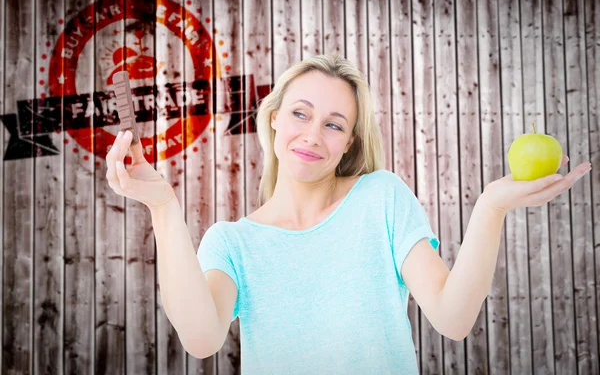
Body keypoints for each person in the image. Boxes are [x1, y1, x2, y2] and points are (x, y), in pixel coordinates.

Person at [105, 54, 591, 374]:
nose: (313, 135)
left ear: (349, 142)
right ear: (274, 117)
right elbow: (201, 338)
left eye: (333, 124)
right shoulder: (232, 242)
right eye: (300, 113)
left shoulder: (381, 198)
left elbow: (453, 317)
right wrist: (163, 208)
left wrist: (491, 208)